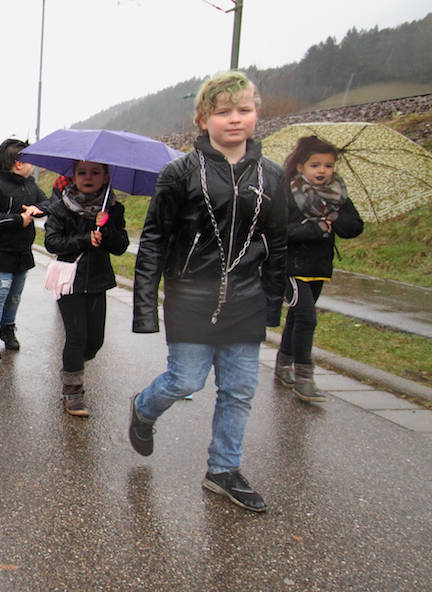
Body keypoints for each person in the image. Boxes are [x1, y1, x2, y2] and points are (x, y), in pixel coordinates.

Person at [128, 71, 287, 513]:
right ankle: (144, 408)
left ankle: (223, 470)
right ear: (203, 120)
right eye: (223, 112)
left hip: (246, 300)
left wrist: (272, 304)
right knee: (186, 380)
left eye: (244, 110)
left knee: (239, 389)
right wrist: (145, 308)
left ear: (256, 115)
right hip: (191, 297)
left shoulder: (273, 176)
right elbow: (155, 240)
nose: (234, 119)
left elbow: (277, 244)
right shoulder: (179, 173)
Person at [275, 136, 364, 402]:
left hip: (318, 267)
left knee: (297, 317)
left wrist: (335, 219)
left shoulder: (338, 196)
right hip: (289, 267)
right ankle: (304, 377)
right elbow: (278, 232)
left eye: (328, 165)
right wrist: (316, 228)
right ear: (300, 167)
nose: (322, 171)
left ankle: (283, 364)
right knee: (307, 317)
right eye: (315, 165)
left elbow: (355, 227)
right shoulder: (287, 194)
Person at [43, 161, 129, 417]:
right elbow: (52, 242)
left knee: (95, 341)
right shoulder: (61, 207)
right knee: (77, 336)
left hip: (98, 281)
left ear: (106, 177)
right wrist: (85, 238)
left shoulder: (113, 208)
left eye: (95, 172)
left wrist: (107, 227)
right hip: (69, 280)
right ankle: (72, 391)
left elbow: (120, 247)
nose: (88, 177)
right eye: (82, 173)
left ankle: (74, 365)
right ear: (73, 177)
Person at [0, 138, 46, 361]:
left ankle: (8, 329)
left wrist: (37, 208)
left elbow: (49, 203)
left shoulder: (31, 185)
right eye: (30, 160)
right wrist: (18, 220)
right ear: (18, 163)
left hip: (22, 253)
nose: (32, 165)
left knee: (14, 296)